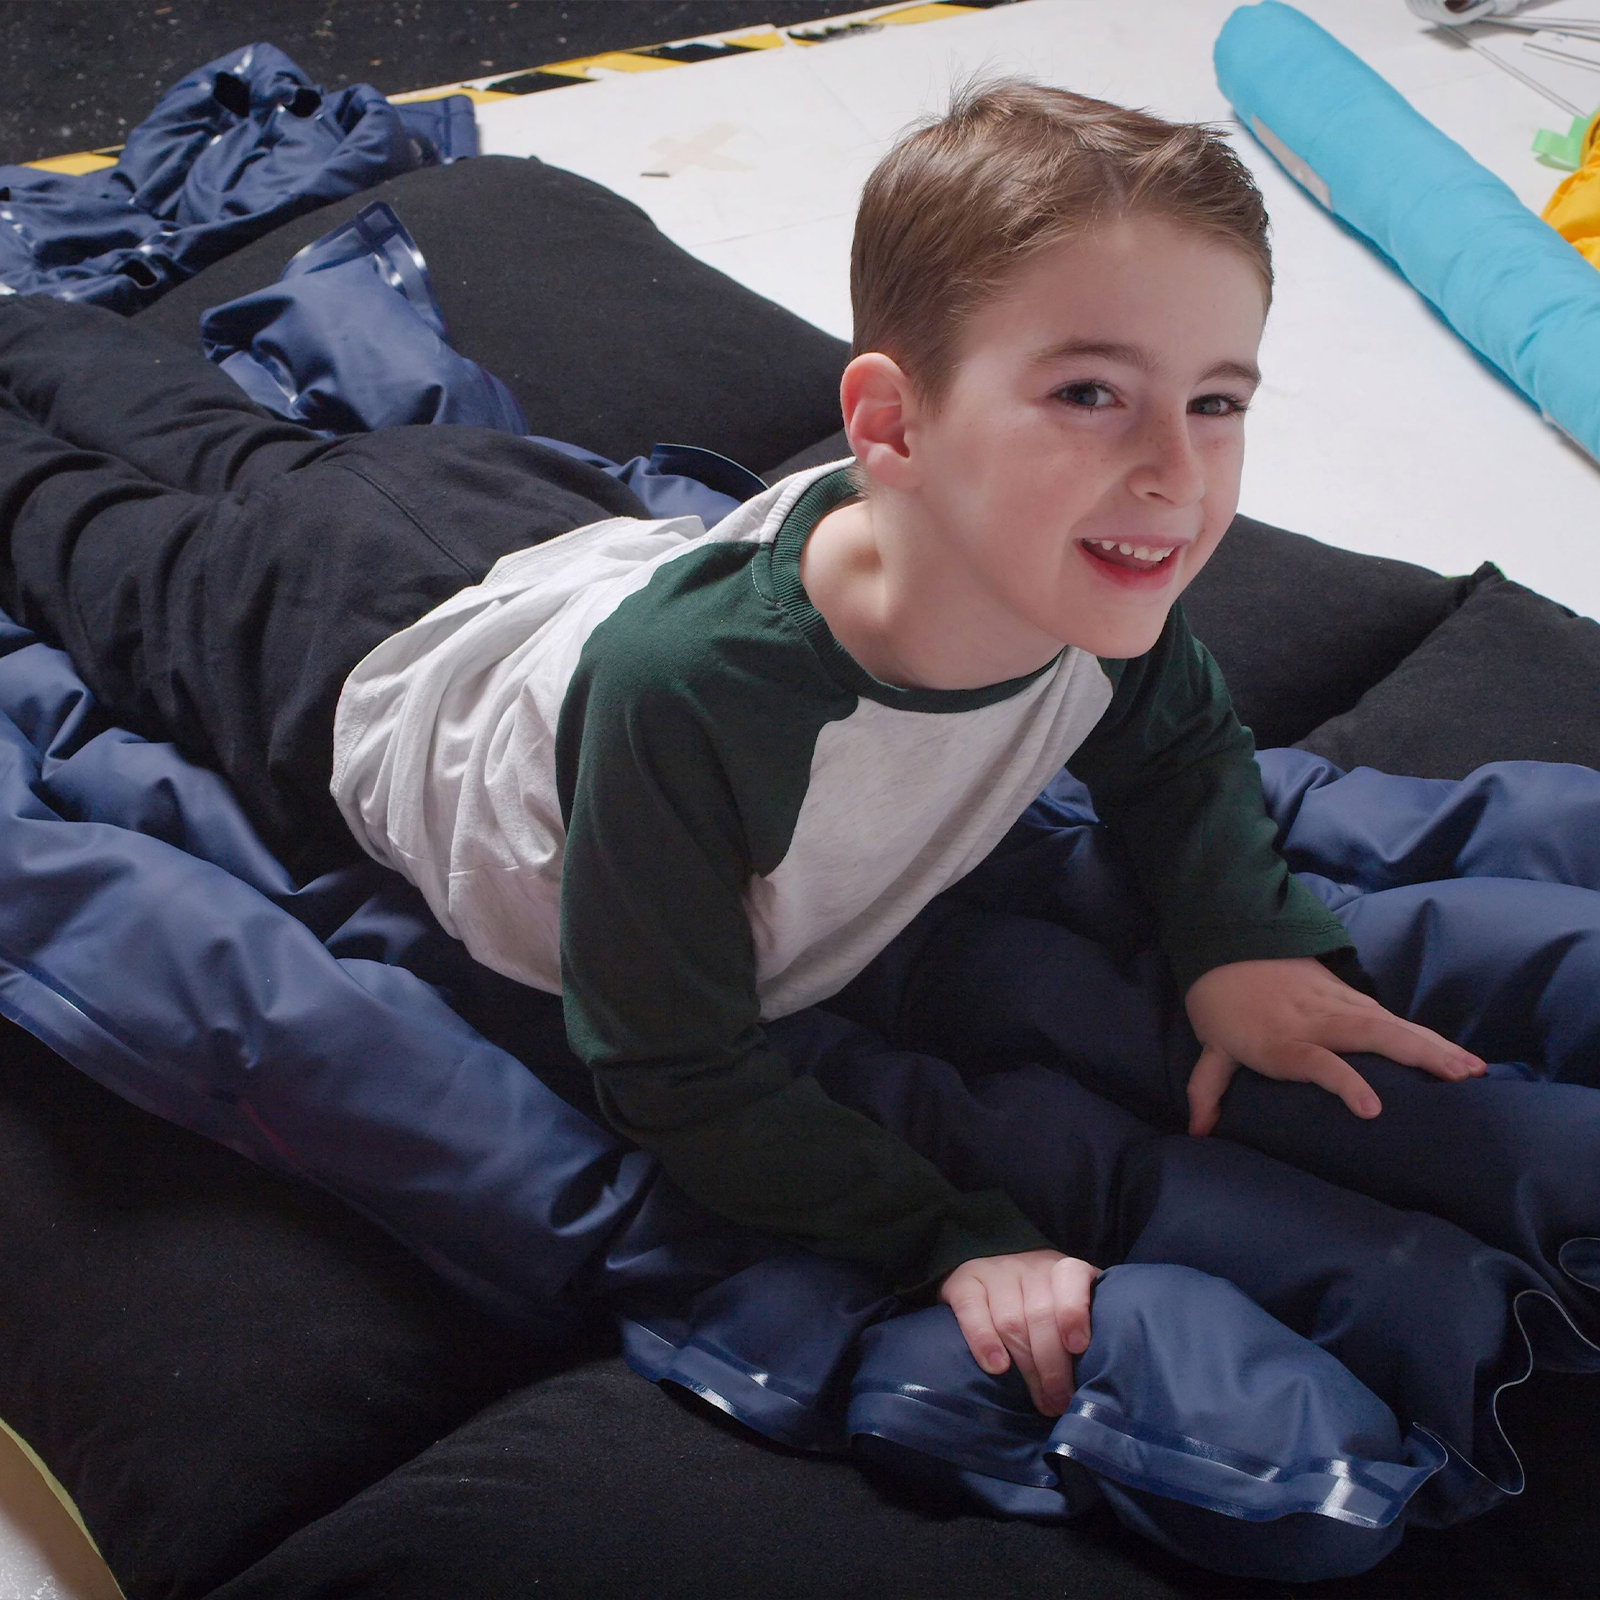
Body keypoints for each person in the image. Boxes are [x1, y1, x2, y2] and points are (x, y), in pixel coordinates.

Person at [0, 77, 1484, 1424]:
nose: (1174, 472)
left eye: (1217, 402)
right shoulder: (706, 698)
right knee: (72, 516)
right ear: (891, 426)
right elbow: (675, 1069)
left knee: (238, 445)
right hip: (338, 647)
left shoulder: (1096, 592)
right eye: (1089, 393)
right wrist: (949, 1236)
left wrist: (1239, 936)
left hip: (521, 531)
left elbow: (1181, 747)